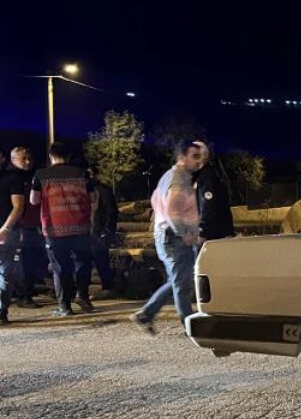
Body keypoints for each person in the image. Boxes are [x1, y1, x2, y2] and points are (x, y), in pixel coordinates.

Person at [130, 140, 204, 335]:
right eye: (194, 156)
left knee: (178, 280)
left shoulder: (169, 176)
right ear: (181, 157)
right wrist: (185, 233)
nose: (199, 161)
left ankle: (146, 314)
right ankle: (190, 325)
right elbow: (173, 211)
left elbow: (158, 203)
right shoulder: (177, 179)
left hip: (167, 235)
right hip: (174, 238)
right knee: (182, 283)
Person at [30, 142, 94, 317]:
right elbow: (93, 197)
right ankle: (82, 295)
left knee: (60, 267)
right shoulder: (81, 174)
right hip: (81, 226)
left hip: (54, 229)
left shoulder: (41, 175)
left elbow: (34, 201)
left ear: (51, 156)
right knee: (83, 262)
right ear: (68, 156)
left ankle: (64, 307)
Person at [10, 147, 48, 308]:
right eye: (23, 159)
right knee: (23, 264)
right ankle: (23, 296)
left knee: (32, 262)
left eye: (29, 158)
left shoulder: (34, 176)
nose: (27, 162)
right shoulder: (12, 178)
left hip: (34, 226)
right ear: (13, 160)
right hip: (19, 227)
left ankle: (26, 293)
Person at [86, 166, 119, 298]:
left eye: (90, 174)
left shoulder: (103, 190)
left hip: (99, 231)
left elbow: (111, 211)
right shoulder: (83, 190)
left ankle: (108, 286)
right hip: (88, 231)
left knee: (101, 259)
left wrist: (107, 230)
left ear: (95, 175)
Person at [192, 141, 235, 242]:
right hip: (216, 233)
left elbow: (208, 206)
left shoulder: (207, 177)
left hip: (215, 235)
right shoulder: (204, 175)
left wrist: (202, 231)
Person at [0, 162, 25, 325]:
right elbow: (18, 206)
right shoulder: (13, 178)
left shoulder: (12, 178)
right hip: (8, 231)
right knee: (5, 272)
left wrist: (5, 228)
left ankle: (1, 310)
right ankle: (1, 311)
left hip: (7, 231)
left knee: (5, 271)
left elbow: (18, 206)